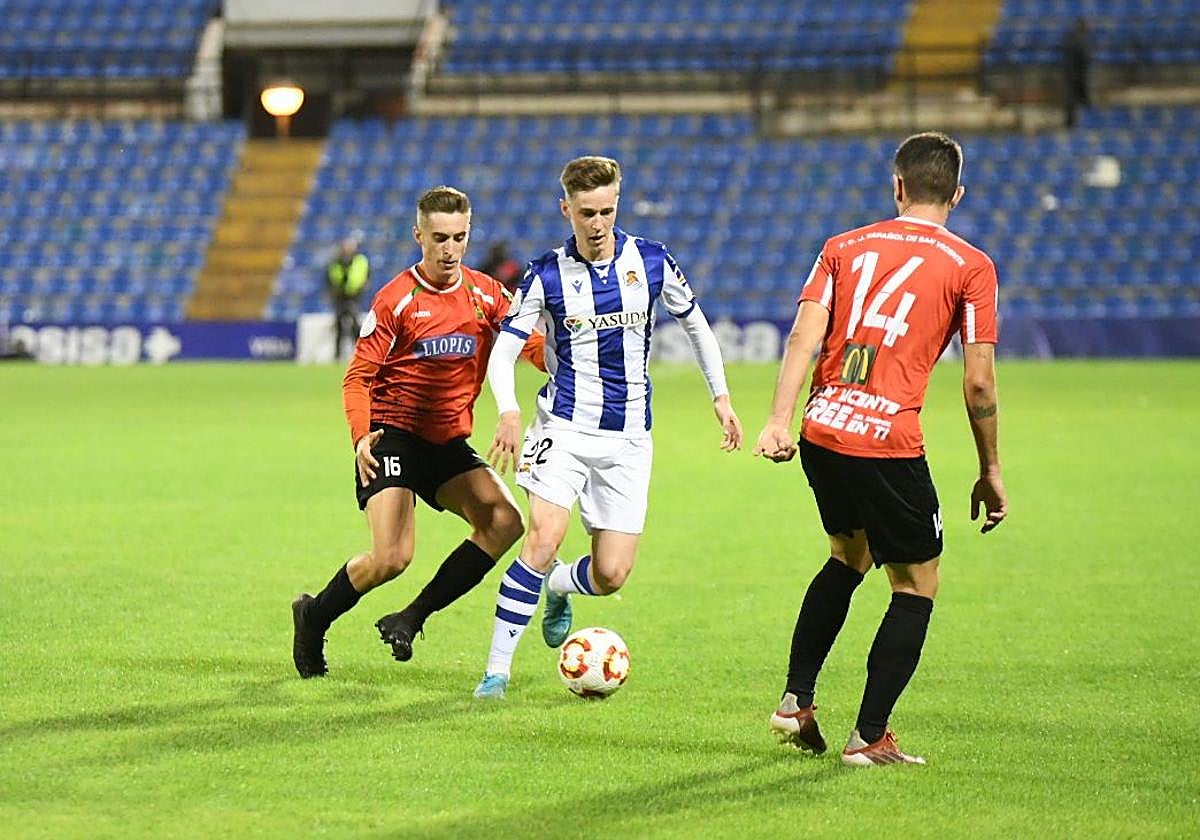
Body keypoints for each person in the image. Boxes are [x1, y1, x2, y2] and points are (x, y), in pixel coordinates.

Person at [753, 132, 1007, 766]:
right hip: (888, 440)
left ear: (898, 187)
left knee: (847, 554)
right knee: (916, 584)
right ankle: (869, 738)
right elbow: (977, 380)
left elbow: (802, 336)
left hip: (823, 428)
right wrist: (991, 467)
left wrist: (779, 421)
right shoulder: (971, 265)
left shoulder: (842, 247)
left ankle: (795, 701)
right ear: (957, 193)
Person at [474, 155, 743, 699]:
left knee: (612, 574)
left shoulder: (652, 260)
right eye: (586, 213)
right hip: (564, 426)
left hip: (628, 439)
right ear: (566, 209)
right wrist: (508, 408)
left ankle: (557, 585)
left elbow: (697, 326)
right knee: (544, 535)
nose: (597, 224)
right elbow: (502, 352)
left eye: (607, 211)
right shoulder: (545, 274)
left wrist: (721, 396)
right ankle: (496, 672)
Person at [291, 186, 545, 678]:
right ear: (418, 236)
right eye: (439, 238)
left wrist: (562, 355)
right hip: (394, 437)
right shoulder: (396, 300)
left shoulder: (487, 294)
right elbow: (358, 376)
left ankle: (412, 616)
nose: (450, 250)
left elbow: (529, 346)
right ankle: (314, 617)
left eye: (459, 237)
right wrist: (360, 435)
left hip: (447, 443)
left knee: (505, 521)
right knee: (391, 557)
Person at [327, 234, 370, 361]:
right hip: (340, 297)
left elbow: (366, 277)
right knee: (339, 326)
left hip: (354, 297)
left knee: (355, 326)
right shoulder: (336, 261)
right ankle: (337, 356)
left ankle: (359, 353)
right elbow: (330, 278)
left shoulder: (360, 261)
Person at [1063, 18, 1091, 130]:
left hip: (1071, 73)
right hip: (1077, 74)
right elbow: (1084, 57)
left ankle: (1072, 123)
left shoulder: (1070, 37)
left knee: (1072, 99)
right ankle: (1074, 123)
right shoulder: (1079, 39)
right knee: (1076, 100)